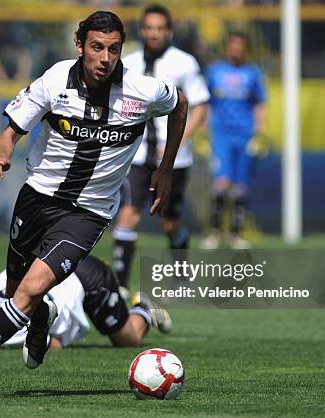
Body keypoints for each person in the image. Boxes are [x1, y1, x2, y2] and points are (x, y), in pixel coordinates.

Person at [0, 10, 188, 393]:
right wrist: (1, 155)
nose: (105, 58)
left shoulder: (142, 90)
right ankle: (40, 321)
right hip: (36, 200)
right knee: (21, 292)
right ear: (80, 46)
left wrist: (166, 168)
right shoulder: (54, 81)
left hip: (88, 213)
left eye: (114, 49)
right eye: (97, 48)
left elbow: (181, 105)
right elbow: (11, 132)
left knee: (29, 291)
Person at [112, 5, 210, 294]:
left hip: (174, 159)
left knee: (170, 224)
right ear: (142, 31)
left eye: (160, 28)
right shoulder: (126, 63)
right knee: (128, 215)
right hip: (137, 156)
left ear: (169, 31)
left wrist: (176, 141)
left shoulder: (185, 63)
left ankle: (181, 277)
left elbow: (200, 108)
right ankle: (120, 286)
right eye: (149, 28)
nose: (154, 34)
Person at [0, 255, 171, 351]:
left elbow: (52, 344)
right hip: (59, 263)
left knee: (127, 339)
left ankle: (144, 309)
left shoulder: (6, 332)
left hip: (88, 280)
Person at [200, 30, 266, 250]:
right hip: (221, 135)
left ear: (245, 49)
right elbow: (206, 102)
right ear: (228, 47)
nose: (236, 49)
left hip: (245, 134)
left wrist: (259, 133)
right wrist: (203, 132)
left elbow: (258, 104)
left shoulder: (253, 73)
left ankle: (236, 233)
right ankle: (215, 231)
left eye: (240, 46)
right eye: (233, 45)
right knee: (221, 183)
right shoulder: (215, 72)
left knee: (240, 186)